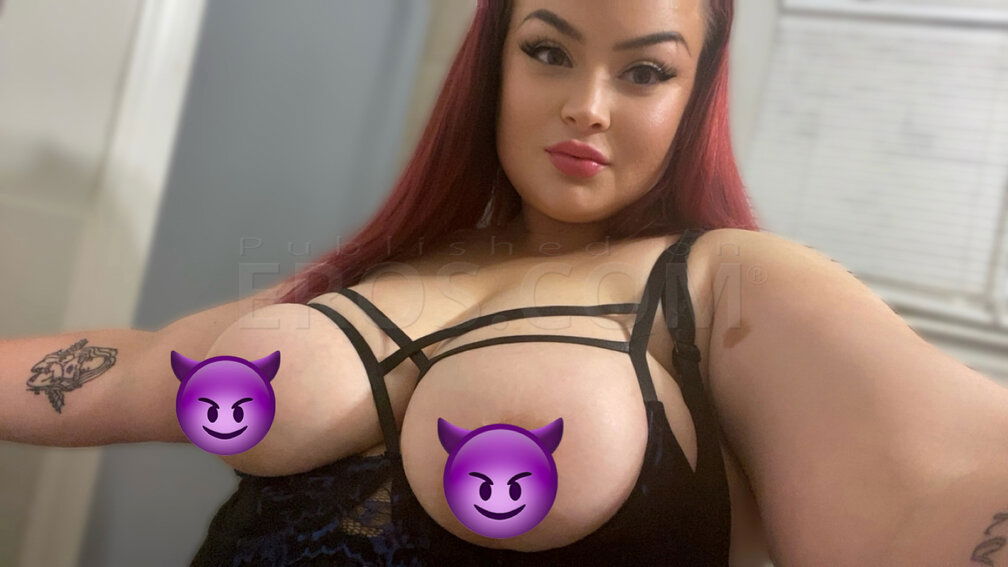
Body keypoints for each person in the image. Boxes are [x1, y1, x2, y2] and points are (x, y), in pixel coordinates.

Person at [4, 0, 1007, 565]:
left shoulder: (729, 283)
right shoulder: (385, 269)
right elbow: (125, 370)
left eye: (644, 72)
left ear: (695, 95)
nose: (586, 105)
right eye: (548, 52)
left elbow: (945, 490)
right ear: (495, 66)